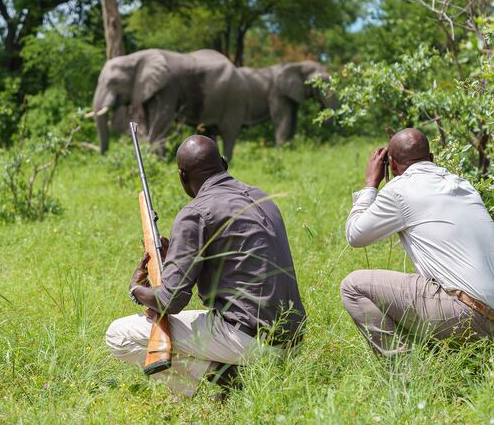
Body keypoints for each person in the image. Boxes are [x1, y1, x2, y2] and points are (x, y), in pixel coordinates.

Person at [106, 135, 306, 396]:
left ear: (182, 177)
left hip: (250, 341)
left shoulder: (196, 212)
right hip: (293, 339)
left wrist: (136, 290)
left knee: (118, 335)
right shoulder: (261, 196)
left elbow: (171, 301)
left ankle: (228, 380)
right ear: (224, 162)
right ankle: (239, 373)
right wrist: (176, 256)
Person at [341, 128, 493, 356]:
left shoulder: (399, 190)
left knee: (353, 286)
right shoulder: (462, 184)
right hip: (484, 313)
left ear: (391, 164)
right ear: (431, 158)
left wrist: (371, 184)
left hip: (467, 314)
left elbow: (355, 235)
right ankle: (440, 357)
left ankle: (402, 371)